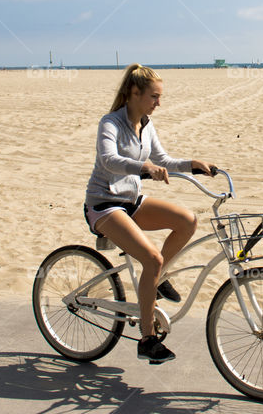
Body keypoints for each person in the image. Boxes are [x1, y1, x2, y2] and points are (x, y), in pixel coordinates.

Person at [84, 64, 215, 365]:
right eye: (154, 97)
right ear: (134, 93)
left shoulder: (146, 124)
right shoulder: (111, 123)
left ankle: (155, 279)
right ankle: (147, 338)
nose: (159, 103)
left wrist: (192, 164)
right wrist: (144, 168)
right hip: (104, 205)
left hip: (131, 200)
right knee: (152, 258)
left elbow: (162, 159)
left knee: (188, 221)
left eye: (160, 97)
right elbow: (109, 160)